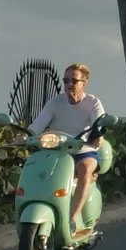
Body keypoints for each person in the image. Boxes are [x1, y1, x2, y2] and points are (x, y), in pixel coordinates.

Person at [27, 62, 107, 233]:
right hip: (57, 151)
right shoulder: (55, 102)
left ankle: (72, 219)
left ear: (84, 83)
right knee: (36, 169)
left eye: (74, 81)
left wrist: (98, 136)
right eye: (66, 81)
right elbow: (38, 124)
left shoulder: (93, 102)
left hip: (83, 150)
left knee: (85, 169)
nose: (69, 84)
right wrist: (27, 135)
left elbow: (98, 123)